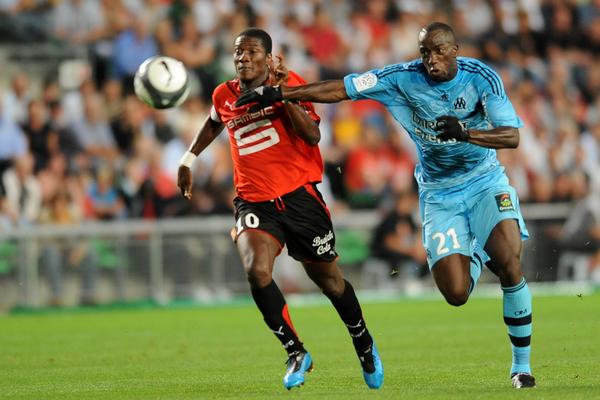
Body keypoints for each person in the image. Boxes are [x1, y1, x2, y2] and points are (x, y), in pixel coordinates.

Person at [236, 22, 535, 389]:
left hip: (484, 181)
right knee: (456, 294)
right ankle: (476, 251)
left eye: (439, 51)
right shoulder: (401, 78)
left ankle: (521, 367)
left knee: (509, 262)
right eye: (425, 52)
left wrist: (466, 132)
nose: (431, 59)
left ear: (455, 50)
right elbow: (341, 89)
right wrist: (281, 93)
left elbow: (511, 136)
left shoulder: (481, 78)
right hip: (439, 193)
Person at [177, 28, 383, 390]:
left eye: (252, 52)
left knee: (330, 282)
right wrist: (188, 158)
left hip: (300, 198)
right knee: (256, 271)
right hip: (254, 201)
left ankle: (362, 340)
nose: (243, 58)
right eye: (238, 52)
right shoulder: (223, 94)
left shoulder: (290, 83)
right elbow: (213, 122)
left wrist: (285, 95)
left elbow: (313, 136)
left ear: (269, 58)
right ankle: (295, 352)